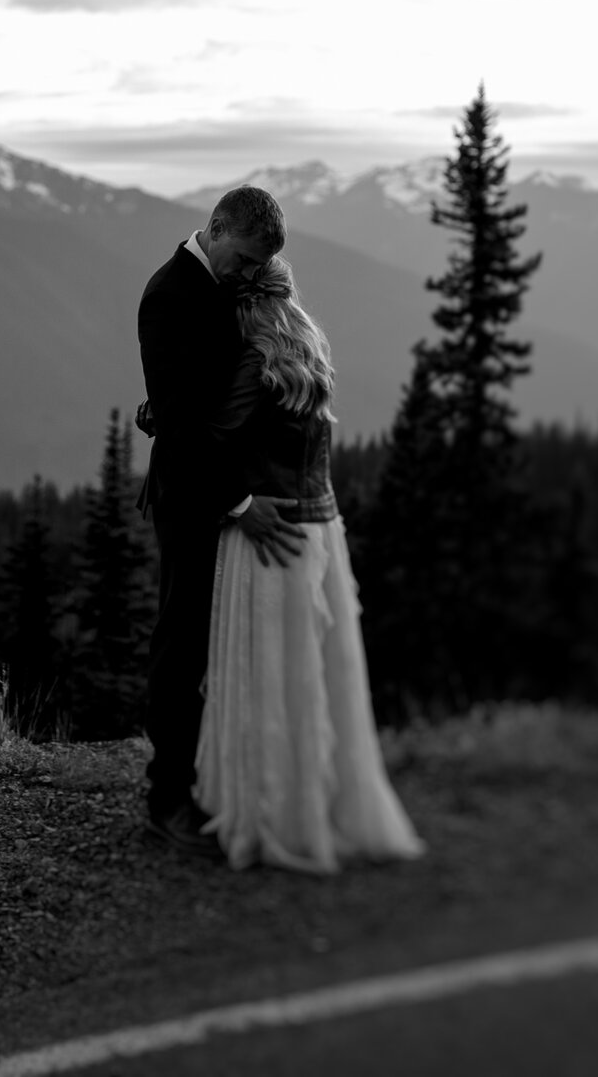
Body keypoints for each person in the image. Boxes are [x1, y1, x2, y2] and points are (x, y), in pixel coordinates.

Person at [191, 255, 423, 872]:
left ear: (242, 303)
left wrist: (162, 417)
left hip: (270, 532)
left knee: (268, 677)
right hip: (321, 528)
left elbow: (210, 438)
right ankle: (321, 808)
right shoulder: (310, 349)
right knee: (315, 676)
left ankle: (275, 817)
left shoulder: (253, 360)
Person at [135, 187, 306, 856]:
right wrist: (239, 501)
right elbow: (181, 426)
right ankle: (166, 797)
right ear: (214, 228)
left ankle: (207, 784)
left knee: (213, 645)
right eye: (242, 260)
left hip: (220, 493)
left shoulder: (216, 285)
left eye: (259, 265)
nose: (248, 275)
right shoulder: (169, 294)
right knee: (181, 645)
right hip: (191, 500)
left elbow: (193, 399)